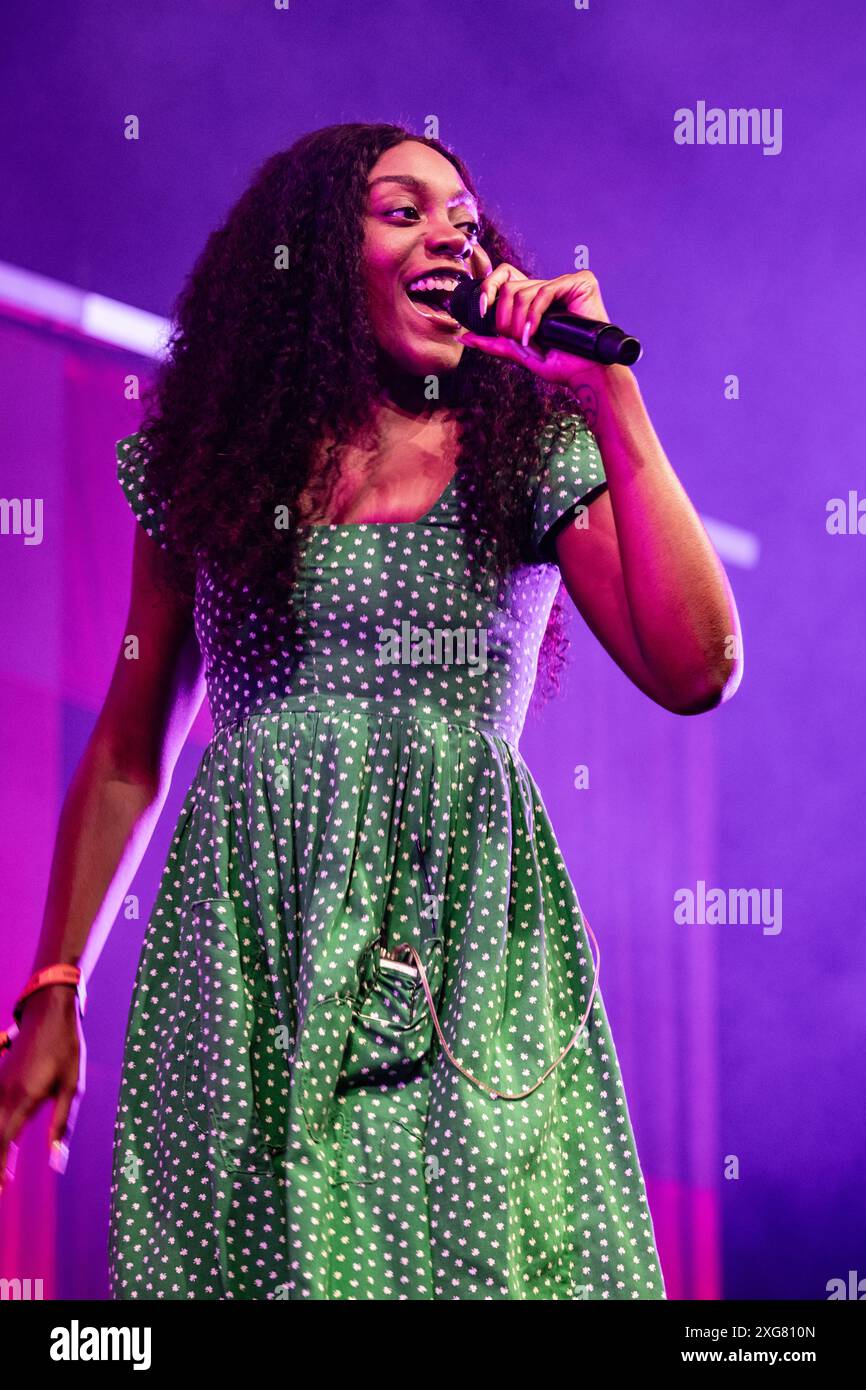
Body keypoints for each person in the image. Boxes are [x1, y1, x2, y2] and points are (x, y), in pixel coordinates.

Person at [0, 123, 742, 1300]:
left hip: (463, 950)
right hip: (254, 954)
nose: (447, 230)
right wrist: (53, 985)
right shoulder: (210, 471)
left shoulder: (529, 452)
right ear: (306, 262)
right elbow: (130, 743)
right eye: (402, 210)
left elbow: (696, 666)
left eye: (461, 218)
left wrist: (612, 403)